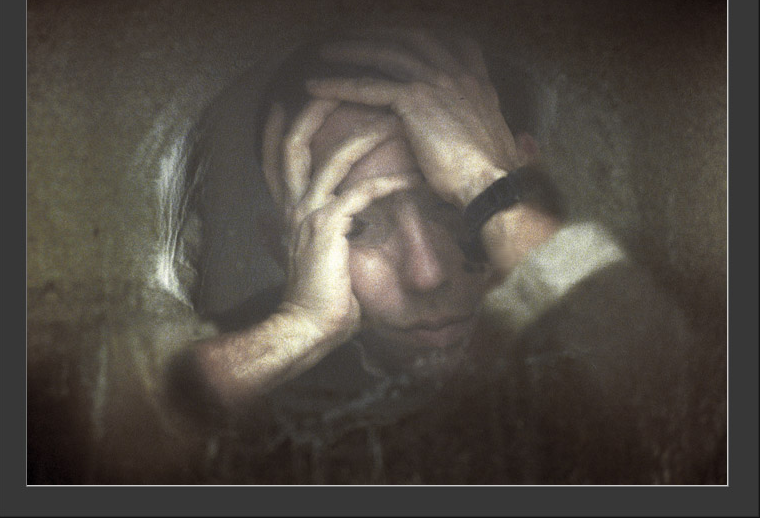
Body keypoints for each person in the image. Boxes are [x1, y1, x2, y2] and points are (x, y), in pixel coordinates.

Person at [166, 28, 706, 484]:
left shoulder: (661, 306)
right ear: (286, 247)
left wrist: (486, 183)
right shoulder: (233, 373)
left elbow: (698, 415)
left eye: (454, 207)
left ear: (531, 190)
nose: (425, 274)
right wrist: (302, 327)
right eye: (356, 225)